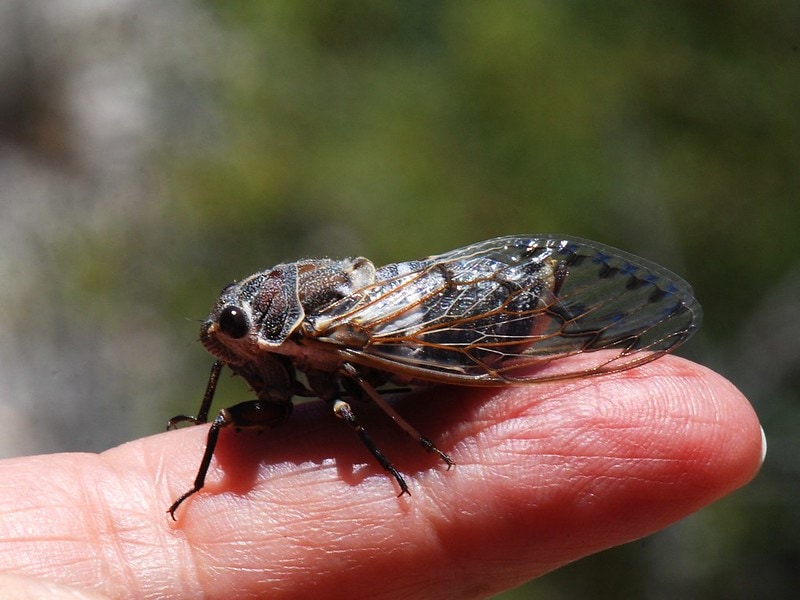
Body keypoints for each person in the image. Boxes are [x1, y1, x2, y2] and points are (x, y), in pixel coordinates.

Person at [0, 356, 764, 599]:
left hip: (413, 341)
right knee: (237, 419)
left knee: (348, 399)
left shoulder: (313, 344)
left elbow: (352, 397)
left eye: (238, 339)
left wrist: (393, 449)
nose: (229, 355)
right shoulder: (255, 356)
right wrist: (200, 418)